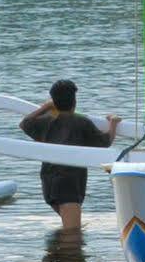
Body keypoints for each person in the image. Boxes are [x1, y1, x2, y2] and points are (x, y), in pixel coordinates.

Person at [19, 79, 120, 231]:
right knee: (73, 236)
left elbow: (24, 123)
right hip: (69, 185)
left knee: (69, 229)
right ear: (74, 101)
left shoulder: (45, 122)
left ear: (54, 101)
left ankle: (57, 253)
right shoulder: (81, 123)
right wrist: (113, 123)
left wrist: (45, 107)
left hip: (48, 182)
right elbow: (105, 142)